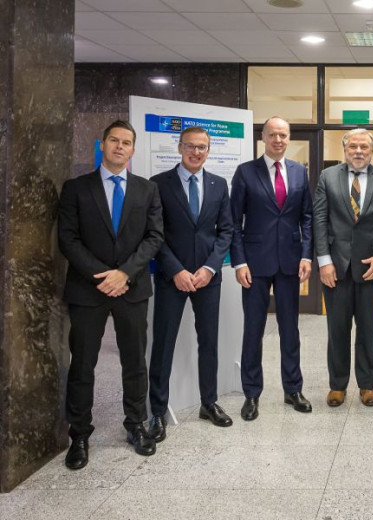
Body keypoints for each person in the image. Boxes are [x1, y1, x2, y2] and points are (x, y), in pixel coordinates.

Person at [58, 120, 163, 469]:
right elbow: (68, 239)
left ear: (133, 150)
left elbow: (153, 237)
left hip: (131, 289)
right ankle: (80, 434)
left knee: (134, 362)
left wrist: (125, 274)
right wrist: (101, 275)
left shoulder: (146, 190)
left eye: (126, 142)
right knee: (83, 364)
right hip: (88, 290)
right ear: (102, 145)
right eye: (114, 141)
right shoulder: (76, 188)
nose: (120, 147)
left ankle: (135, 425)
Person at [147, 126, 234, 442]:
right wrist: (176, 270)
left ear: (209, 150)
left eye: (202, 147)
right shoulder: (158, 185)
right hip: (173, 278)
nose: (196, 152)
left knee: (209, 342)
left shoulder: (218, 184)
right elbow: (154, 234)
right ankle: (157, 412)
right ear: (180, 147)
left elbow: (226, 231)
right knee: (164, 343)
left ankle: (208, 403)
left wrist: (210, 268)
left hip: (208, 278)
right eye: (191, 146)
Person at [230, 116, 314, 420]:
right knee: (253, 330)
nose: (278, 139)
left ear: (289, 138)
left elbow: (307, 217)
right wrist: (238, 261)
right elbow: (233, 222)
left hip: (290, 263)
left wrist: (307, 255)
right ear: (263, 137)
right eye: (273, 134)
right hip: (254, 264)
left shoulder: (299, 171)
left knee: (290, 329)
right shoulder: (245, 173)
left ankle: (293, 389)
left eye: (284, 134)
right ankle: (251, 393)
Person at [313, 128, 373, 407]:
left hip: (371, 267)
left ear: (371, 151)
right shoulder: (328, 177)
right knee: (337, 329)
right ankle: (337, 385)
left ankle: (367, 385)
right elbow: (320, 220)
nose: (359, 151)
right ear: (345, 149)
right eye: (353, 147)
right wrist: (324, 261)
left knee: (369, 330)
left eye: (364, 147)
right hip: (335, 270)